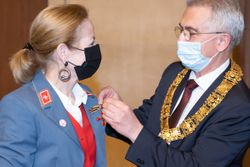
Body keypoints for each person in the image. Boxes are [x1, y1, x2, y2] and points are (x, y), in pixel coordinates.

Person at [98, 0, 250, 166]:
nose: (181, 39)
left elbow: (196, 164)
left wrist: (134, 130)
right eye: (181, 30)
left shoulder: (239, 108)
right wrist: (115, 110)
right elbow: (148, 121)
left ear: (222, 41)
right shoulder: (175, 72)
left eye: (191, 33)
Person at [0, 4, 106, 167]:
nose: (95, 49)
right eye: (91, 44)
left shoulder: (90, 98)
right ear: (63, 52)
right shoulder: (20, 106)